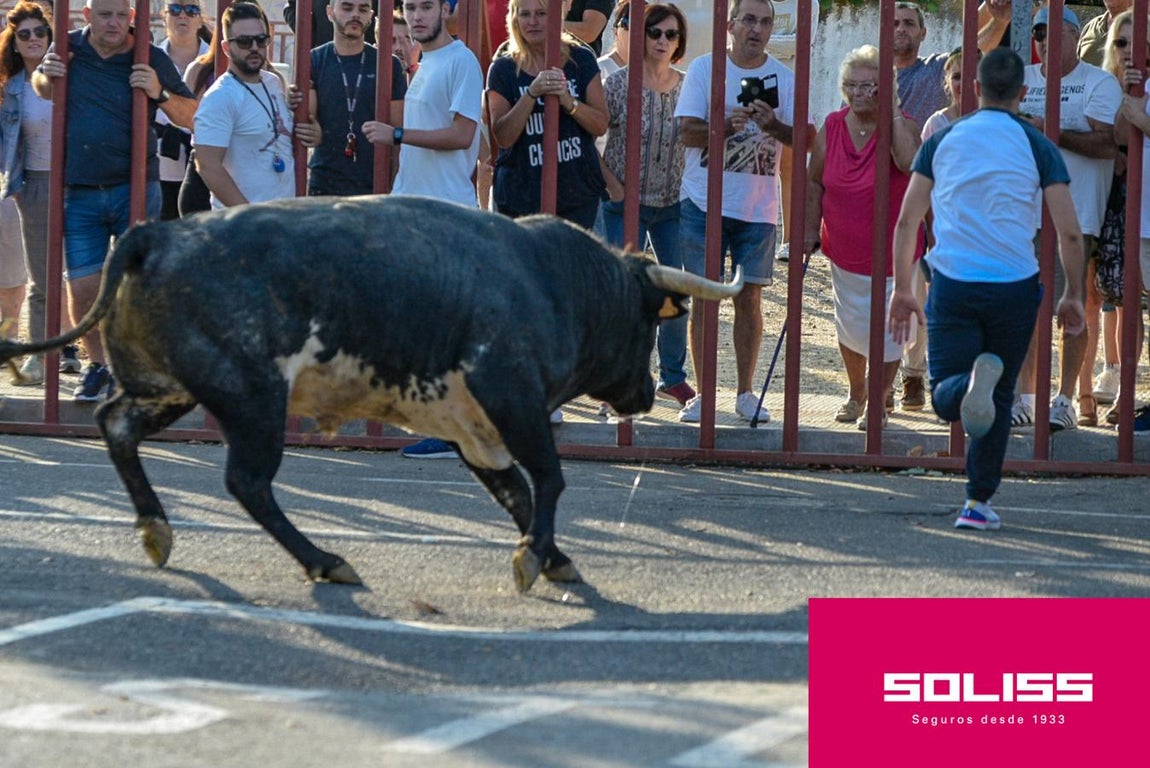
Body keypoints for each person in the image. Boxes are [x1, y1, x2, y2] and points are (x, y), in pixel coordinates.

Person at [888, 47, 1085, 531]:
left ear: (974, 89)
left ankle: (967, 385)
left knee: (942, 396)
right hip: (1015, 285)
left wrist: (903, 289)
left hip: (953, 280)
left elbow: (908, 219)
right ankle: (977, 503)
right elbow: (1070, 232)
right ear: (1022, 93)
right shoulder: (1037, 145)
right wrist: (1073, 293)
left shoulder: (945, 138)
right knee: (997, 402)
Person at [32, 0, 198, 402]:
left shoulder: (149, 55)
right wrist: (45, 76)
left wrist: (156, 92)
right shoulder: (69, 48)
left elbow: (191, 115)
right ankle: (99, 366)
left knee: (135, 287)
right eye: (105, 14)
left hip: (136, 187)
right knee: (85, 291)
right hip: (80, 189)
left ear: (133, 17)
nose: (114, 22)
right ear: (87, 16)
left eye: (121, 15)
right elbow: (42, 84)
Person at [361, 0, 483, 459]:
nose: (415, 16)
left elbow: (461, 135)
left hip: (447, 215)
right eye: (410, 7)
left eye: (425, 7)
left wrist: (395, 134)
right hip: (413, 212)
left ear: (446, 11)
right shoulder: (425, 63)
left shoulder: (462, 61)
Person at [673, 0, 795, 424]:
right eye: (748, 20)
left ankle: (745, 394)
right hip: (702, 202)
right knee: (705, 299)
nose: (756, 29)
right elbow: (685, 132)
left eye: (765, 22)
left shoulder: (785, 77)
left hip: (757, 209)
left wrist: (773, 125)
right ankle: (705, 397)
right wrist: (727, 124)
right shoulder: (705, 70)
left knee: (750, 300)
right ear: (730, 24)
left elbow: (804, 140)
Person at [1014, 5, 1122, 431]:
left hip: (1077, 217)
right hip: (1024, 214)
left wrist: (1052, 131)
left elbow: (1108, 145)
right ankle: (1025, 396)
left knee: (1071, 307)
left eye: (1055, 33)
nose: (1044, 41)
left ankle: (1063, 399)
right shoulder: (1023, 78)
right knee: (1026, 309)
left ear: (1076, 37)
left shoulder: (1099, 83)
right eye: (1039, 34)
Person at [804, 44, 923, 431]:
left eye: (870, 85)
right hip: (845, 249)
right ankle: (858, 392)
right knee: (851, 325)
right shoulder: (832, 127)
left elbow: (907, 161)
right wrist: (808, 229)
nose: (859, 92)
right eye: (852, 85)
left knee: (891, 330)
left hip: (894, 252)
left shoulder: (902, 125)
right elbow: (814, 181)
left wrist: (889, 109)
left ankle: (879, 401)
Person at [600, 3, 693, 407]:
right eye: (654, 32)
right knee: (624, 294)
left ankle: (673, 376)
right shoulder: (618, 84)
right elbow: (593, 139)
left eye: (670, 35)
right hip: (625, 200)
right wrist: (613, 186)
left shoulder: (688, 85)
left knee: (675, 290)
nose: (661, 41)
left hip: (672, 202)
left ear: (679, 42)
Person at [486, 0, 608, 230]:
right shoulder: (503, 68)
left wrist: (568, 101)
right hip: (520, 198)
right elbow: (503, 136)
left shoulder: (580, 59)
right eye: (525, 14)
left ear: (555, 17)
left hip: (577, 194)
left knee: (578, 266)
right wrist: (532, 93)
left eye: (541, 13)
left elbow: (601, 124)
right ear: (514, 19)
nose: (532, 22)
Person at [194, 1, 321, 209]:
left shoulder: (273, 82)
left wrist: (314, 132)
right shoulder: (220, 96)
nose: (254, 47)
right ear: (226, 48)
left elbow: (283, 135)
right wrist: (248, 214)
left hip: (283, 218)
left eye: (261, 40)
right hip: (243, 227)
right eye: (244, 41)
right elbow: (207, 165)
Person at [307, 0, 407, 197]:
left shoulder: (389, 65)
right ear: (329, 12)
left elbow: (398, 135)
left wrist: (394, 187)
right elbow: (307, 121)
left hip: (374, 186)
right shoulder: (315, 59)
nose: (355, 14)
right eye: (347, 7)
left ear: (371, 15)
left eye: (363, 9)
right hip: (324, 184)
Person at [0, 2, 47, 382]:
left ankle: (65, 351)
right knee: (32, 273)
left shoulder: (70, 79)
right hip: (27, 184)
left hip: (76, 182)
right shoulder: (11, 88)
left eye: (39, 32)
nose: (33, 39)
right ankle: (25, 348)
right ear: (14, 43)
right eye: (24, 34)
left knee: (74, 274)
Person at [156, 0, 209, 220]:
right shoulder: (151, 58)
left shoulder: (216, 61)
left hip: (205, 170)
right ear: (164, 16)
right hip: (159, 168)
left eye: (191, 10)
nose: (183, 16)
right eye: (175, 9)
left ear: (200, 18)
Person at [285, 0, 379, 47]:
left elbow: (391, 10)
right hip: (325, 47)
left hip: (368, 48)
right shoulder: (316, 60)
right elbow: (292, 7)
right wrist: (310, 35)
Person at [392, 8, 420, 81]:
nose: (399, 48)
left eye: (406, 40)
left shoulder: (428, 76)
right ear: (376, 47)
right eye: (392, 41)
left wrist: (411, 69)